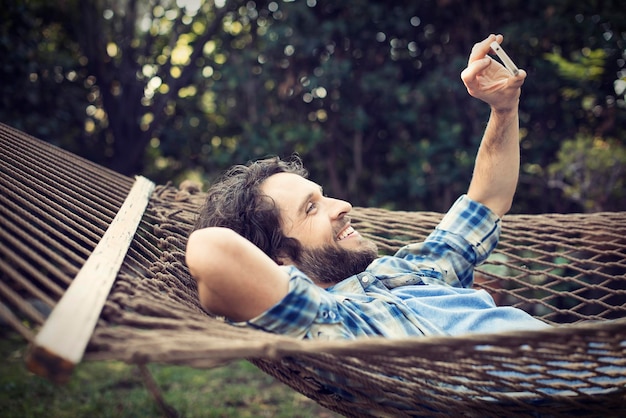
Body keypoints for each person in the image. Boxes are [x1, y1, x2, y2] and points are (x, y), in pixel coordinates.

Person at [185, 34, 550, 340]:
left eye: (322, 196)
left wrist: (504, 110)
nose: (341, 205)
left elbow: (487, 201)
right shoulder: (334, 323)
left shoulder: (409, 269)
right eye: (311, 208)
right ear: (281, 260)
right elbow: (209, 249)